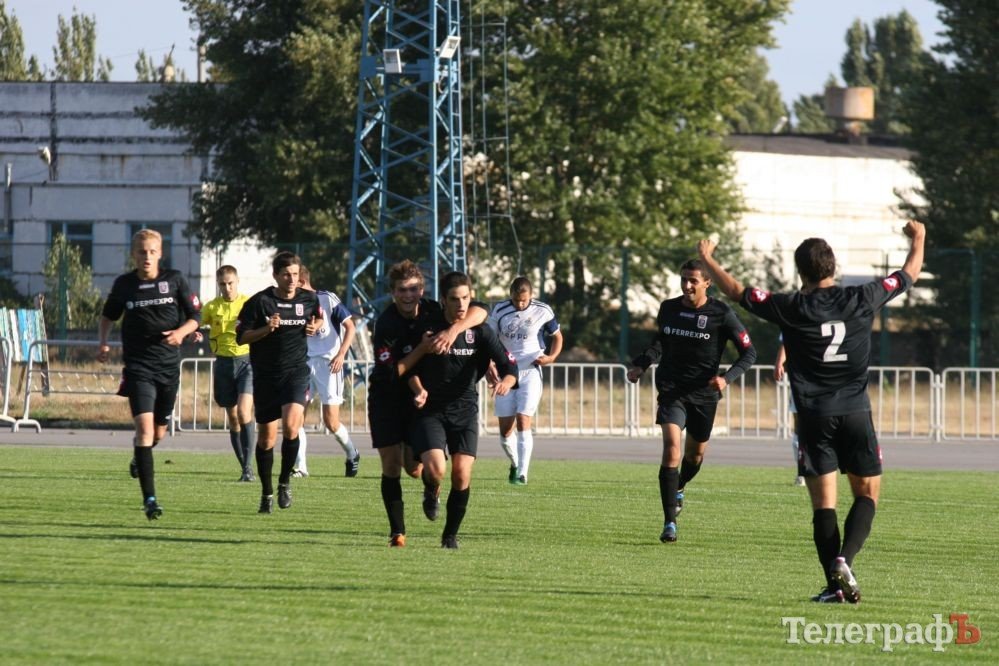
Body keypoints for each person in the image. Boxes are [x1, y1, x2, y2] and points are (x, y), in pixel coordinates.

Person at [696, 220, 925, 604]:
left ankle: (835, 588)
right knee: (867, 494)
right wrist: (919, 237)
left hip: (814, 417)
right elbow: (908, 274)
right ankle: (844, 560)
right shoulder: (862, 297)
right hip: (855, 412)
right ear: (832, 266)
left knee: (823, 506)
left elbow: (736, 291)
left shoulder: (791, 307)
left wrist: (706, 258)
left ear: (800, 271)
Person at [626, 258, 756, 544]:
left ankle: (680, 485)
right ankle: (669, 522)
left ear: (707, 283)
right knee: (672, 449)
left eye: (693, 280)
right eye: (684, 279)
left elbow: (749, 353)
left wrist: (727, 378)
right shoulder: (668, 309)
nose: (687, 285)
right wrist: (641, 365)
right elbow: (660, 343)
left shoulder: (722, 313)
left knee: (694, 457)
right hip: (672, 390)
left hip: (705, 395)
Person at [367, 259, 489, 547]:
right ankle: (397, 533)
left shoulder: (434, 309)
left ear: (422, 290)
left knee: (415, 469)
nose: (408, 295)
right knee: (391, 465)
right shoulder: (386, 324)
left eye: (413, 289)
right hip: (387, 398)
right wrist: (422, 348)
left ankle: (431, 489)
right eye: (402, 290)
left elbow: (482, 310)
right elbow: (392, 373)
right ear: (393, 293)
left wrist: (454, 330)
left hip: (419, 401)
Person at [400, 271, 518, 549]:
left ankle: (450, 536)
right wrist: (418, 389)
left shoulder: (480, 332)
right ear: (443, 300)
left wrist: (506, 382)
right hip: (430, 409)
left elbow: (510, 366)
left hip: (465, 411)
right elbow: (409, 367)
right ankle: (431, 489)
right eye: (455, 299)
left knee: (462, 474)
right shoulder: (428, 328)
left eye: (466, 298)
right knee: (434, 470)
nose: (461, 304)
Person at [97, 229, 201, 520]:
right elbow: (107, 316)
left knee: (157, 433)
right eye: (142, 251)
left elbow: (196, 316)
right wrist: (103, 342)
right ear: (134, 254)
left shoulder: (175, 280)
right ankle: (150, 500)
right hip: (138, 368)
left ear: (160, 254)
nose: (147, 256)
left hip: (168, 368)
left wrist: (181, 332)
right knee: (143, 431)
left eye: (152, 251)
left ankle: (139, 456)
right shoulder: (124, 285)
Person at [235, 251, 321, 514]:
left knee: (292, 426)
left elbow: (318, 317)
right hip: (266, 377)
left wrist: (316, 326)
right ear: (275, 276)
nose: (292, 279)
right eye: (286, 275)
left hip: (295, 372)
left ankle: (285, 482)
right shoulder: (260, 302)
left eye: (295, 274)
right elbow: (241, 337)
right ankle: (267, 492)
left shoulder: (309, 298)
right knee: (266, 440)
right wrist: (266, 329)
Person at [486, 276, 562, 485]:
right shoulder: (499, 310)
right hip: (506, 372)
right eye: (516, 300)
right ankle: (515, 463)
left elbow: (557, 336)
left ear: (531, 295)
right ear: (510, 295)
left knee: (523, 419)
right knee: (505, 433)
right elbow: (489, 339)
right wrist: (490, 363)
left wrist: (551, 357)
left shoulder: (543, 310)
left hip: (531, 370)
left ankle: (522, 473)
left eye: (524, 300)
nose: (520, 304)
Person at [292, 265, 360, 479]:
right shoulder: (293, 304)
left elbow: (351, 327)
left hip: (329, 365)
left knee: (330, 421)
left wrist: (341, 354)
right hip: (304, 364)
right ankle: (301, 467)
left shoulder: (327, 298)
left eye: (293, 281)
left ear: (302, 281)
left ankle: (352, 453)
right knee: (296, 416)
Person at [199, 265, 255, 482]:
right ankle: (244, 466)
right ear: (218, 285)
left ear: (237, 281)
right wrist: (193, 332)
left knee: (244, 412)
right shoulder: (212, 307)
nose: (227, 288)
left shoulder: (249, 304)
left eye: (230, 283)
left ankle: (249, 467)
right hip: (223, 364)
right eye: (223, 284)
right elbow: (196, 321)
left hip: (247, 363)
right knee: (233, 418)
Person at [775, 338, 805, 486]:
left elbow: (787, 340)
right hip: (813, 382)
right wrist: (780, 363)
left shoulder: (797, 324)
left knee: (801, 432)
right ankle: (803, 473)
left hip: (805, 383)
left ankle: (803, 474)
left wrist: (779, 363)